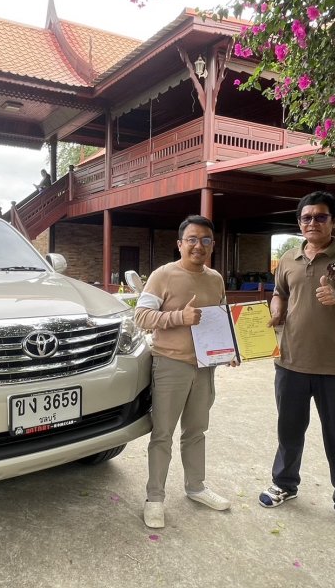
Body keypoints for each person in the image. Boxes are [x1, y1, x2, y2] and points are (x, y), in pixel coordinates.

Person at [259, 191, 335, 538]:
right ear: (299, 223)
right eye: (306, 217)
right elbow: (279, 291)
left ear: (334, 221)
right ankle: (284, 483)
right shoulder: (288, 258)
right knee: (289, 431)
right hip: (290, 362)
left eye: (320, 217)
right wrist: (277, 308)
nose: (312, 222)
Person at [135, 214, 238, 529]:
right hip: (170, 364)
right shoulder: (163, 275)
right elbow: (141, 315)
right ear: (180, 244)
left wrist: (230, 349)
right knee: (162, 433)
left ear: (212, 245)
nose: (198, 246)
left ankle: (195, 487)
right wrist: (179, 317)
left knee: (196, 431)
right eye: (191, 239)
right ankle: (155, 498)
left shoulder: (216, 278)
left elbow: (220, 318)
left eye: (205, 240)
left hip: (204, 368)